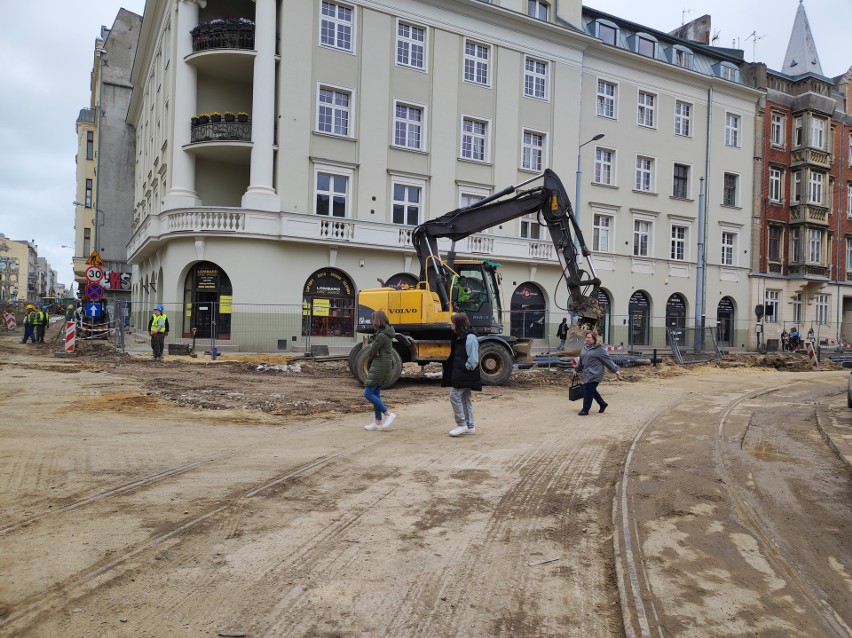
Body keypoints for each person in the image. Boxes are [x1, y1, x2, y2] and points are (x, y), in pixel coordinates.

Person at [443, 312, 481, 437]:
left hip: (464, 373)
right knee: (465, 398)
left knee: (454, 396)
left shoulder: (469, 337)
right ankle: (470, 426)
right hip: (462, 373)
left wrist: (465, 368)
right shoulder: (461, 336)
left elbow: (473, 359)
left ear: (459, 324)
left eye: (453, 323)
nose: (451, 325)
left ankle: (461, 424)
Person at [362, 309, 397, 431]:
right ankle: (377, 422)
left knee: (367, 393)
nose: (372, 322)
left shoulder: (382, 336)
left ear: (377, 320)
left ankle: (387, 413)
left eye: (373, 320)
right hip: (383, 364)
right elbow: (373, 349)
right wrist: (374, 350)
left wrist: (373, 351)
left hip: (380, 365)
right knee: (375, 394)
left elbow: (370, 352)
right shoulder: (383, 333)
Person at [573, 329, 621, 416]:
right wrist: (576, 369)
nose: (587, 339)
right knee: (591, 390)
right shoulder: (585, 347)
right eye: (586, 337)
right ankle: (602, 404)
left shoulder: (600, 349)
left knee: (588, 390)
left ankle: (585, 409)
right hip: (586, 373)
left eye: (589, 338)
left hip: (595, 374)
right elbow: (581, 360)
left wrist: (615, 370)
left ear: (594, 339)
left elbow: (607, 361)